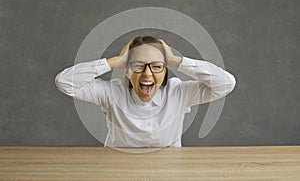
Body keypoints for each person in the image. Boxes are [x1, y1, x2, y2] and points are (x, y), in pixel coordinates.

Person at [55, 36, 236, 147]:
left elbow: (226, 84)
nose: (147, 73)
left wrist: (175, 60)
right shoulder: (112, 93)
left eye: (157, 66)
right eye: (138, 65)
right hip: (117, 171)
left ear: (165, 70)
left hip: (170, 172)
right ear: (127, 70)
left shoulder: (178, 92)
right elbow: (64, 82)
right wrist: (116, 61)